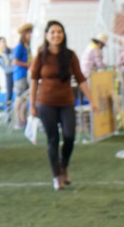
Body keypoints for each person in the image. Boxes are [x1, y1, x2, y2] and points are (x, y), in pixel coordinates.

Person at [29, 20, 86, 191]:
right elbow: (34, 81)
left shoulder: (70, 56)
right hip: (46, 103)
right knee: (53, 139)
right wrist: (32, 105)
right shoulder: (41, 56)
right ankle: (57, 176)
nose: (56, 35)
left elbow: (81, 79)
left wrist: (94, 100)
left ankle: (64, 165)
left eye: (59, 32)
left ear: (63, 34)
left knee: (69, 136)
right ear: (46, 35)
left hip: (67, 102)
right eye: (52, 32)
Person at [11, 22, 33, 124]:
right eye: (29, 33)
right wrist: (27, 64)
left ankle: (23, 118)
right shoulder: (20, 46)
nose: (30, 35)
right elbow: (14, 61)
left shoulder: (26, 46)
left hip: (26, 74)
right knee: (20, 97)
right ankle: (18, 120)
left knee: (25, 98)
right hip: (20, 75)